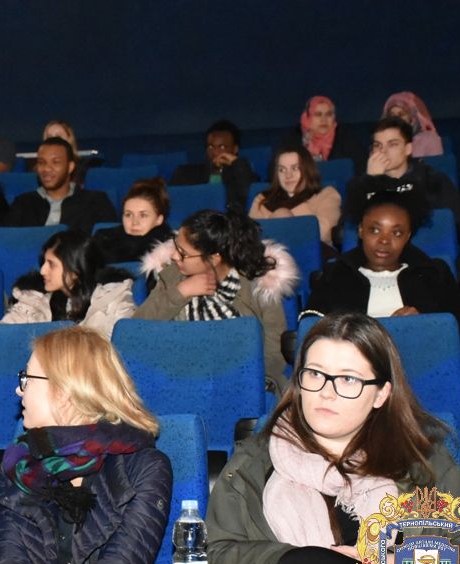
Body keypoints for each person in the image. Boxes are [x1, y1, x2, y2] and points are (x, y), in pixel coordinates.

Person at [206, 312, 460, 564]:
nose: (326, 392)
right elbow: (218, 555)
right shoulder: (254, 463)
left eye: (348, 379)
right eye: (315, 374)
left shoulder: (423, 462)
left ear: (381, 394)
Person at [0, 325, 171, 564]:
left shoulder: (143, 466)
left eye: (27, 378)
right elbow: (6, 558)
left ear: (65, 391)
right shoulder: (20, 462)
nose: (18, 389)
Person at [135, 209, 299, 394]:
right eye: (176, 247)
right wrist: (181, 292)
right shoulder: (172, 277)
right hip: (180, 381)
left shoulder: (260, 286)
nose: (174, 256)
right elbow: (137, 329)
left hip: (245, 384)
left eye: (183, 253)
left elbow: (274, 350)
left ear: (214, 258)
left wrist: (246, 381)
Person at [305, 191, 460, 328]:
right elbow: (310, 328)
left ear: (407, 236)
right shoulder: (336, 274)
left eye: (396, 233)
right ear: (361, 230)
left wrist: (423, 324)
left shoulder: (434, 274)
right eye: (375, 230)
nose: (384, 241)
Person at [0, 230, 135, 338]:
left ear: (75, 270)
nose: (42, 271)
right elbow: (3, 336)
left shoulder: (112, 301)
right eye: (44, 262)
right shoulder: (33, 299)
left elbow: (120, 349)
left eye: (52, 264)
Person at [344, 117, 460, 231]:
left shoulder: (432, 180)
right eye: (378, 145)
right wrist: (371, 182)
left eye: (392, 144)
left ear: (408, 149)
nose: (383, 151)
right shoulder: (360, 186)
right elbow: (349, 229)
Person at [3, 137, 117, 234]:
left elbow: (110, 243)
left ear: (70, 167)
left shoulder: (96, 202)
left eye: (56, 162)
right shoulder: (23, 203)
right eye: (42, 162)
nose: (47, 169)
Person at [249, 145, 342, 245]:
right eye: (282, 170)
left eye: (295, 168)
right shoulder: (263, 199)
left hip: (311, 250)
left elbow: (325, 232)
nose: (288, 175)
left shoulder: (325, 194)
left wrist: (284, 218)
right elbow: (250, 237)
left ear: (307, 169)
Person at [170, 120, 259, 212]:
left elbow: (250, 198)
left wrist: (237, 163)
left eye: (222, 147)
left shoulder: (243, 176)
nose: (215, 152)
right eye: (211, 147)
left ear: (235, 149)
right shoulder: (185, 174)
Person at [92, 178, 174, 264]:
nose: (134, 222)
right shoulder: (102, 241)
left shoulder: (171, 250)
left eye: (143, 215)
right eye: (128, 215)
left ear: (159, 219)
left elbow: (173, 275)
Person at [277, 96, 367, 168]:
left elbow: (362, 168)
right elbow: (276, 170)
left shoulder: (346, 137)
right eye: (318, 115)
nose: (324, 120)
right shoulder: (293, 138)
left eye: (328, 114)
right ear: (307, 117)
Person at [382, 92, 443, 158]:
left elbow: (434, 163)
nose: (396, 119)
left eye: (401, 115)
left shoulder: (429, 139)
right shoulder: (382, 139)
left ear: (412, 117)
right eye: (392, 115)